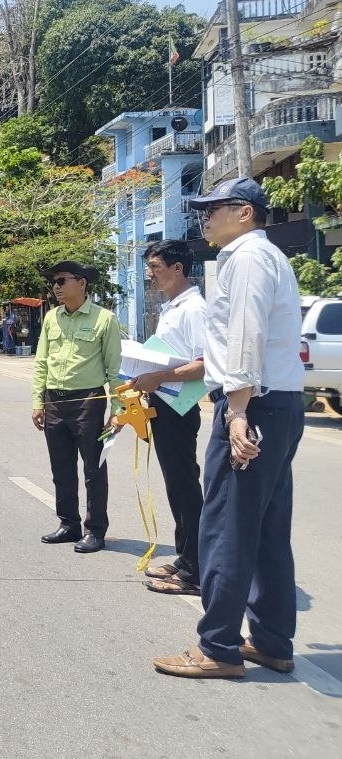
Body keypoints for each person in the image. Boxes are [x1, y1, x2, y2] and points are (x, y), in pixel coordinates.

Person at [153, 177, 305, 679]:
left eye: (214, 208)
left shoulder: (245, 258)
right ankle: (272, 642)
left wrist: (237, 412)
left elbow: (244, 335)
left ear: (244, 213)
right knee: (267, 530)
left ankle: (217, 648)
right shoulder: (266, 255)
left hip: (252, 405)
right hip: (277, 403)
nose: (205, 217)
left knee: (225, 527)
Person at [120, 240, 206, 596]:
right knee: (176, 486)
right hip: (164, 402)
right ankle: (187, 558)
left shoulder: (194, 309)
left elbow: (205, 364)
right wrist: (146, 376)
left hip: (179, 407)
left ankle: (196, 570)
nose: (150, 275)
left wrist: (159, 377)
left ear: (177, 269)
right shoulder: (172, 306)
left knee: (185, 486)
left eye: (155, 267)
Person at [31, 261, 122, 554]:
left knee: (94, 468)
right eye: (54, 282)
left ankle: (95, 530)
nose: (56, 287)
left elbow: (115, 369)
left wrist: (117, 410)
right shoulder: (51, 318)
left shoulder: (104, 319)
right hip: (54, 401)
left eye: (62, 280)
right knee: (61, 468)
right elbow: (41, 362)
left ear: (81, 283)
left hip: (88, 402)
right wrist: (38, 401)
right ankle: (68, 524)